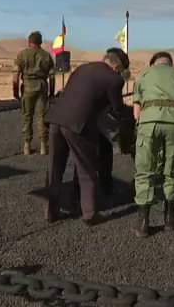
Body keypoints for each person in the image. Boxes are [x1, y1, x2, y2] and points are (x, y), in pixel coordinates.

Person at [43, 48, 133, 226]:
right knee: (87, 168)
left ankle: (50, 212)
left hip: (55, 119)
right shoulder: (114, 79)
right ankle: (90, 213)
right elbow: (117, 109)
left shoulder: (83, 68)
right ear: (118, 67)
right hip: (78, 124)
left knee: (54, 167)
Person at [132, 51, 174, 238]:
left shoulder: (144, 74)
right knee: (173, 172)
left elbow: (136, 112)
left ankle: (143, 224)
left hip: (149, 123)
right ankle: (170, 220)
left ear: (154, 64)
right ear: (170, 64)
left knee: (144, 172)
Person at [13, 31, 55, 155]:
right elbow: (52, 77)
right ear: (40, 42)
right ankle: (43, 146)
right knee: (42, 116)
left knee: (27, 116)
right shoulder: (47, 56)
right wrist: (51, 93)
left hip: (27, 87)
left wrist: (15, 92)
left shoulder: (22, 55)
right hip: (42, 87)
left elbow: (15, 76)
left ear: (29, 41)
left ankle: (27, 145)